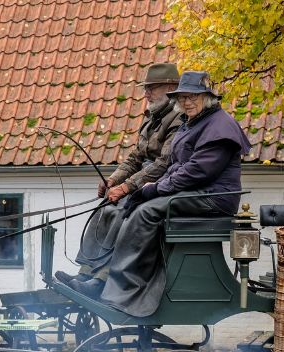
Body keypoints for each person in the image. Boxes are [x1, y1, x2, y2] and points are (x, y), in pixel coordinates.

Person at [70, 71, 251, 317]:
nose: (187, 102)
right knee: (134, 204)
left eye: (193, 97)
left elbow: (197, 171)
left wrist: (156, 188)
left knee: (146, 212)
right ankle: (96, 275)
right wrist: (146, 187)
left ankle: (125, 287)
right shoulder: (194, 123)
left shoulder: (220, 125)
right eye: (183, 97)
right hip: (194, 192)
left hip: (213, 198)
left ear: (207, 97)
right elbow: (175, 165)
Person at [54, 62, 183, 288]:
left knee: (124, 209)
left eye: (153, 87)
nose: (147, 93)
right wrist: (113, 180)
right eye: (146, 88)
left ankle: (102, 279)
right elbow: (135, 158)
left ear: (171, 88)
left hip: (161, 183)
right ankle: (86, 271)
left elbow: (164, 163)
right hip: (143, 179)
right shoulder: (151, 118)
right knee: (105, 207)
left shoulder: (178, 119)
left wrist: (127, 187)